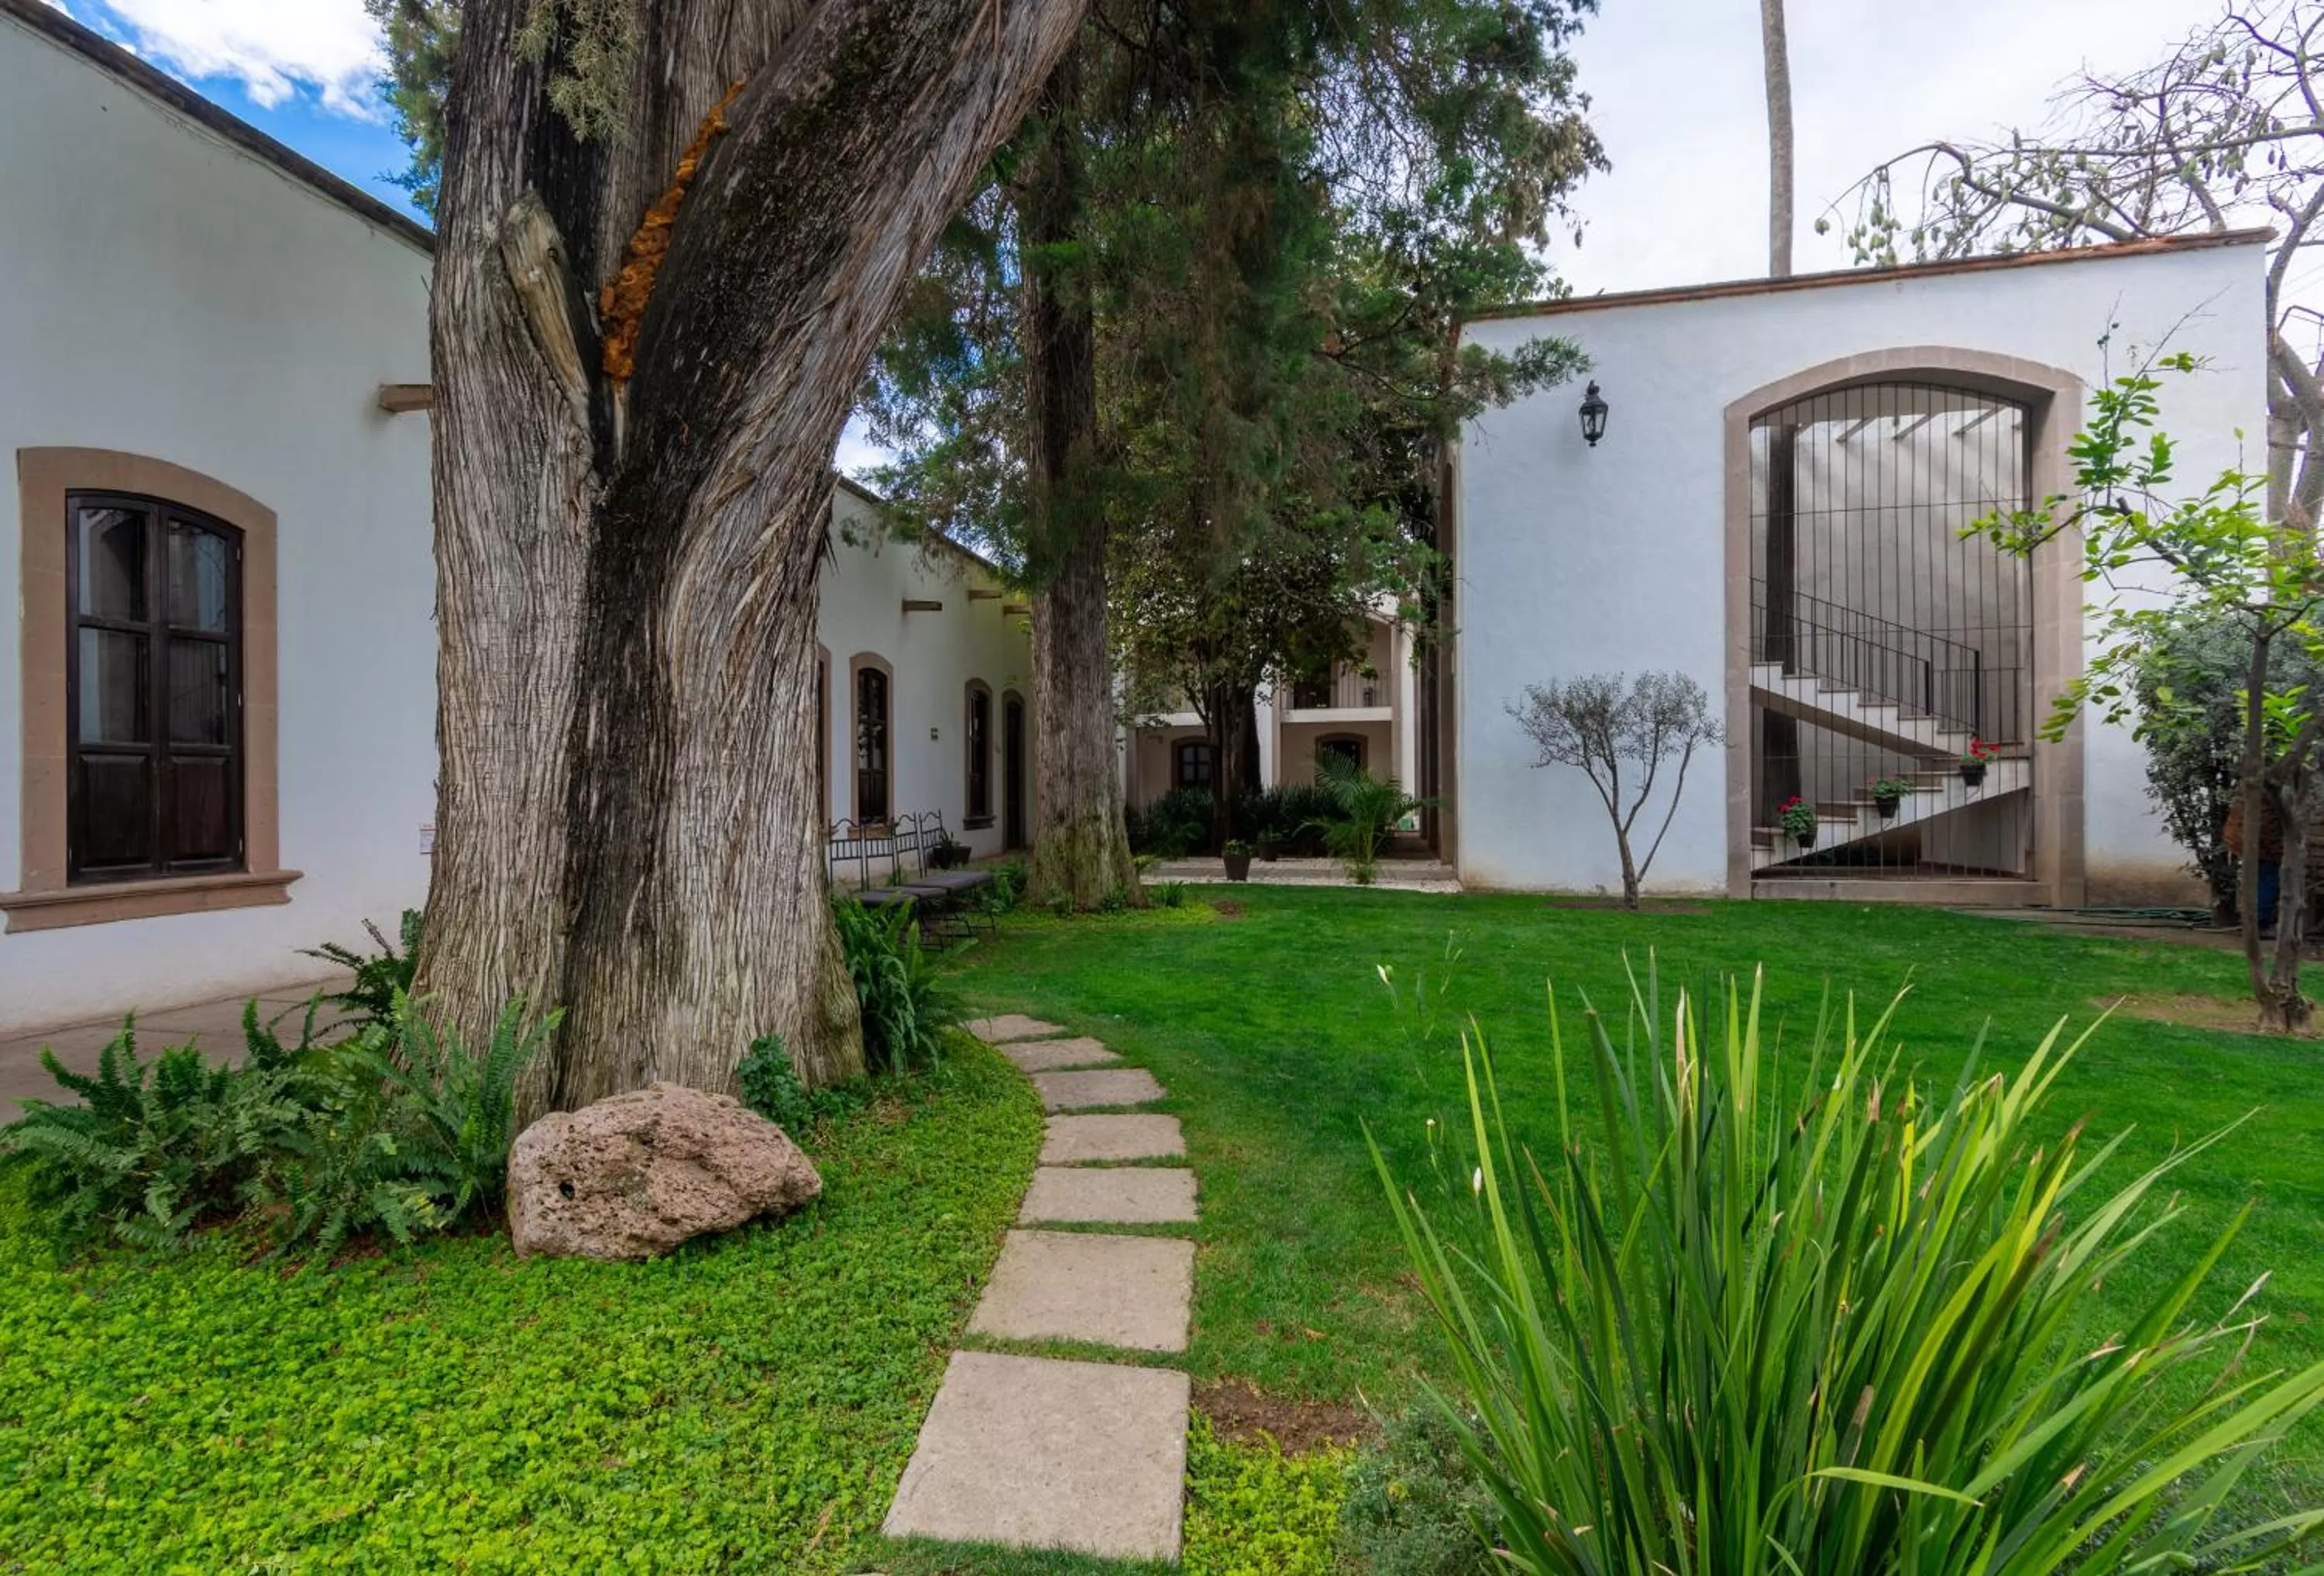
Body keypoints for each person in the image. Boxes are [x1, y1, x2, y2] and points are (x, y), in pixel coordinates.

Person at [2223, 794, 2284, 937]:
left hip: (2246, 842)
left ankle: (2255, 923)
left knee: (2258, 883)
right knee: (2269, 883)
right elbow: (2268, 828)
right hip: (2262, 847)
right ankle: (2260, 925)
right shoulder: (2267, 802)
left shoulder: (2249, 793)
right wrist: (2280, 853)